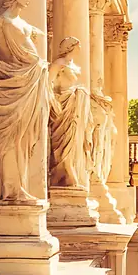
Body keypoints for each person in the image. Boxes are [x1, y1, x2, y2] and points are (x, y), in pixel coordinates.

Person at [0, 0, 49, 203]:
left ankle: (18, 187)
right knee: (6, 141)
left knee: (22, 140)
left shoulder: (26, 25)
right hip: (7, 88)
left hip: (27, 86)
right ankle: (9, 190)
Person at [49, 36, 93, 189]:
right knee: (63, 139)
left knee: (75, 141)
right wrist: (53, 101)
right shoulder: (59, 64)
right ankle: (67, 173)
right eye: (78, 44)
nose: (80, 47)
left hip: (76, 105)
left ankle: (70, 172)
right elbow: (48, 84)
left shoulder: (76, 66)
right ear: (72, 46)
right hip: (63, 103)